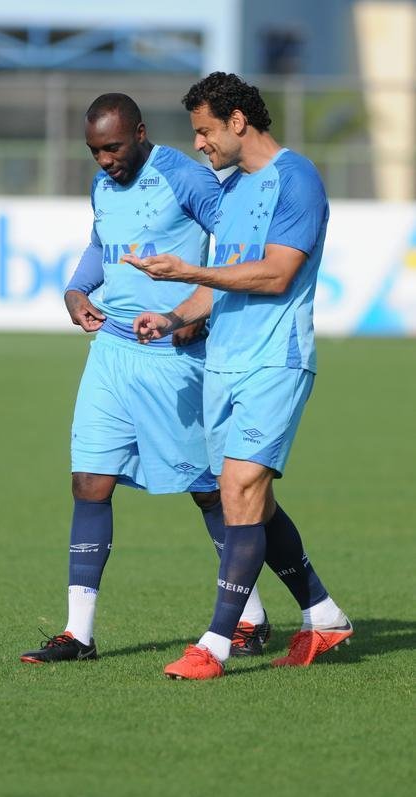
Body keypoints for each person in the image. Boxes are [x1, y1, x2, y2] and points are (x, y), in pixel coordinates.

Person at [20, 92, 269, 665]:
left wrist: (194, 310)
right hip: (111, 353)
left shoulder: (184, 176)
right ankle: (78, 634)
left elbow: (237, 245)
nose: (104, 161)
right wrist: (77, 290)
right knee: (89, 481)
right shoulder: (103, 184)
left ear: (138, 131)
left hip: (175, 357)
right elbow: (99, 242)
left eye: (112, 147)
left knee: (210, 489)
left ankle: (250, 617)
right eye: (94, 151)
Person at [125, 73, 352, 680]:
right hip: (224, 362)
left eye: (204, 130)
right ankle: (324, 615)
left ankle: (216, 644)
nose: (200, 143)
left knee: (239, 489)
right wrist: (173, 314)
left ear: (237, 121)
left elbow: (276, 274)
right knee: (254, 499)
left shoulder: (296, 178)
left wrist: (186, 274)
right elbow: (222, 280)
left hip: (274, 360)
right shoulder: (232, 190)